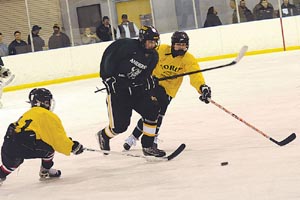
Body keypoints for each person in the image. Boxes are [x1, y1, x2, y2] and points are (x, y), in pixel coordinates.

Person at [123, 31, 211, 150]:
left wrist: (202, 88)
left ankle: (134, 137)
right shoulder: (162, 50)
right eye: (179, 45)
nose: (181, 47)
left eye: (184, 45)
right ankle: (148, 138)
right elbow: (147, 58)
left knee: (154, 113)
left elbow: (196, 76)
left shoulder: (188, 59)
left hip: (169, 90)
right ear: (173, 44)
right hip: (153, 84)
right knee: (154, 112)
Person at [97, 25, 166, 157]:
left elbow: (145, 75)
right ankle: (104, 135)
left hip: (136, 90)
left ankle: (148, 145)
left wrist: (148, 81)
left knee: (152, 109)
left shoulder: (153, 57)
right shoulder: (126, 46)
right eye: (150, 42)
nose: (153, 45)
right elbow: (108, 59)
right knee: (120, 126)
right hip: (119, 91)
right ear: (142, 39)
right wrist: (108, 78)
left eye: (155, 42)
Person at [0, 88, 84, 185]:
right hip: (23, 145)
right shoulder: (46, 115)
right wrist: (72, 147)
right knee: (50, 147)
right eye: (47, 101)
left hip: (10, 142)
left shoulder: (30, 113)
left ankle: (1, 174)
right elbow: (57, 139)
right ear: (42, 102)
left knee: (10, 165)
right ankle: (45, 170)